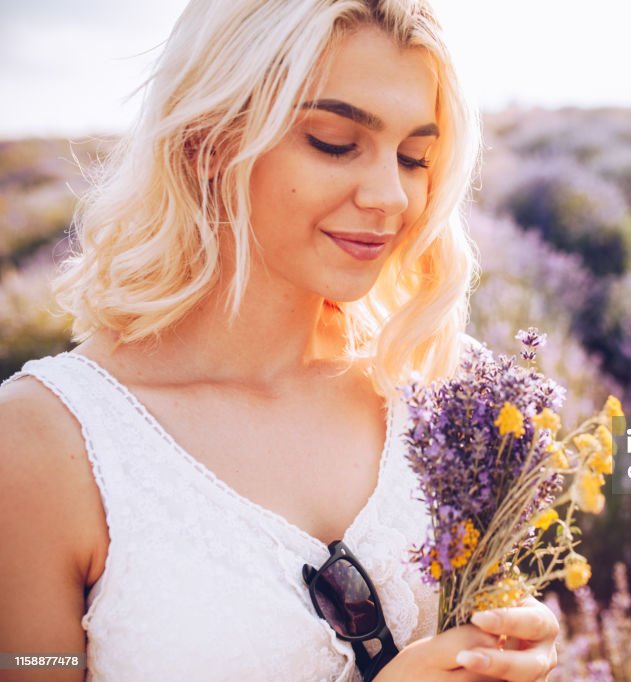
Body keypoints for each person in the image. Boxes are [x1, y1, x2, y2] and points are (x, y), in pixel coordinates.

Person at [0, 1, 559, 680]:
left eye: (416, 157)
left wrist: (518, 648)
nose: (391, 196)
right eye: (333, 141)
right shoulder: (43, 444)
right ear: (208, 142)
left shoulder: (451, 394)